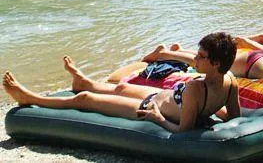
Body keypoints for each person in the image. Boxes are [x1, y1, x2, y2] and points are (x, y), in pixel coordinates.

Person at [3, 33, 240, 133]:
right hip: (166, 97)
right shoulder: (229, 80)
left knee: (85, 101)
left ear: (217, 63)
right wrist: (211, 111)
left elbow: (182, 131)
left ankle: (31, 99)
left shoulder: (196, 89)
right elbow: (234, 116)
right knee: (121, 87)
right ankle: (84, 81)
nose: (195, 59)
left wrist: (157, 118)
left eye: (201, 57)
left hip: (150, 108)